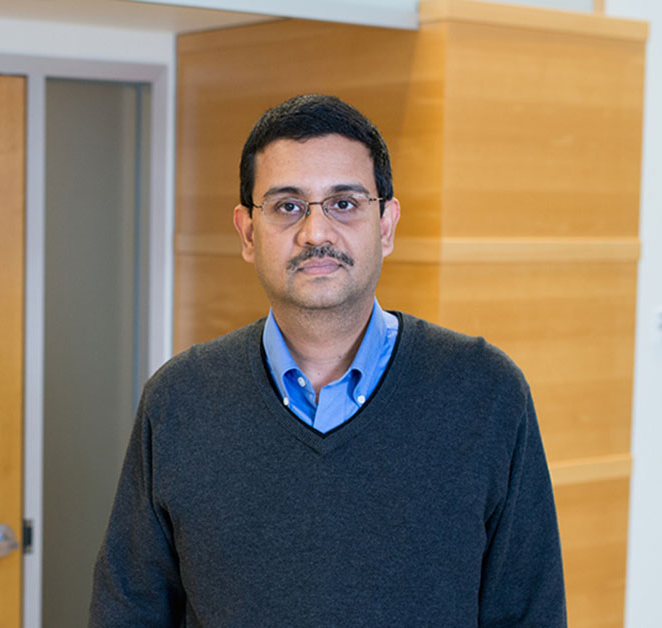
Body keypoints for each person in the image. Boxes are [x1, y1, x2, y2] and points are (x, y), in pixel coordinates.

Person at [89, 94, 566, 627]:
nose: (315, 233)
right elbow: (129, 610)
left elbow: (530, 613)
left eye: (344, 203)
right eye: (287, 205)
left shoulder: (486, 392)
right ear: (248, 232)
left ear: (385, 224)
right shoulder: (179, 400)